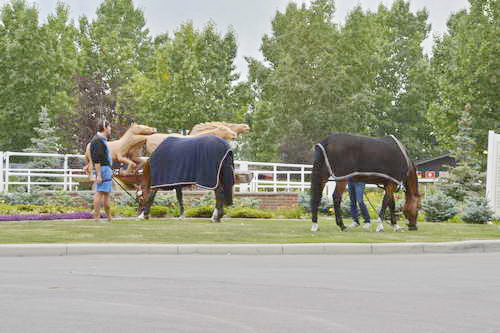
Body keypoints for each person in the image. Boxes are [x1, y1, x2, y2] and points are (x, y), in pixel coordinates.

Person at [90, 119, 113, 223]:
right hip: (103, 169)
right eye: (109, 127)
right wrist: (99, 175)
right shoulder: (98, 141)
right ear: (105, 128)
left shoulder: (99, 140)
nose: (110, 129)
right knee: (101, 193)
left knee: (103, 193)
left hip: (104, 169)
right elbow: (97, 159)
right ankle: (98, 218)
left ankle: (107, 218)